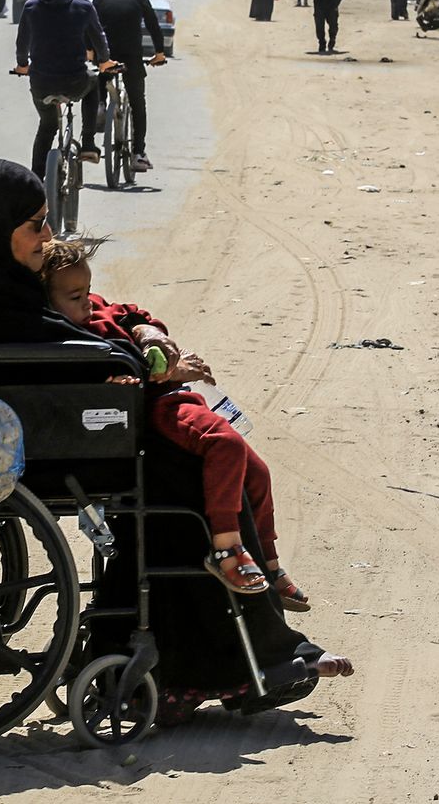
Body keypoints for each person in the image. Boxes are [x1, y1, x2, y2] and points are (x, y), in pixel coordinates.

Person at [0, 162, 353, 728]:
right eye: (34, 225)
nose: (45, 236)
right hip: (37, 438)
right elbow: (53, 345)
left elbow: (64, 330)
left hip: (40, 420)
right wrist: (147, 367)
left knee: (201, 470)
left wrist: (137, 338)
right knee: (182, 488)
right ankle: (231, 661)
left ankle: (243, 657)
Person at [42, 239, 307, 608]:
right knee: (224, 444)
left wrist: (149, 332)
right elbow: (113, 377)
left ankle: (271, 564)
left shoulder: (95, 311)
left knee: (257, 471)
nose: (87, 302)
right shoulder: (69, 334)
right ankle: (226, 549)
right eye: (74, 297)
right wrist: (167, 370)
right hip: (151, 407)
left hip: (175, 394)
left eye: (86, 291)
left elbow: (131, 313)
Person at [13, 0, 114, 170]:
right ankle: (88, 142)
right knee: (94, 82)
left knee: (47, 128)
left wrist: (22, 65)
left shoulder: (31, 7)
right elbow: (100, 41)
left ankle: (36, 186)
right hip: (75, 81)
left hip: (41, 84)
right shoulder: (84, 7)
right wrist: (104, 61)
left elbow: (22, 44)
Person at [90, 0, 168, 172]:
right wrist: (159, 53)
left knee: (102, 72)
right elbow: (153, 25)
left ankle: (100, 104)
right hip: (132, 57)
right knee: (137, 103)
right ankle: (138, 154)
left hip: (106, 55)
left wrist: (90, 50)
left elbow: (90, 26)